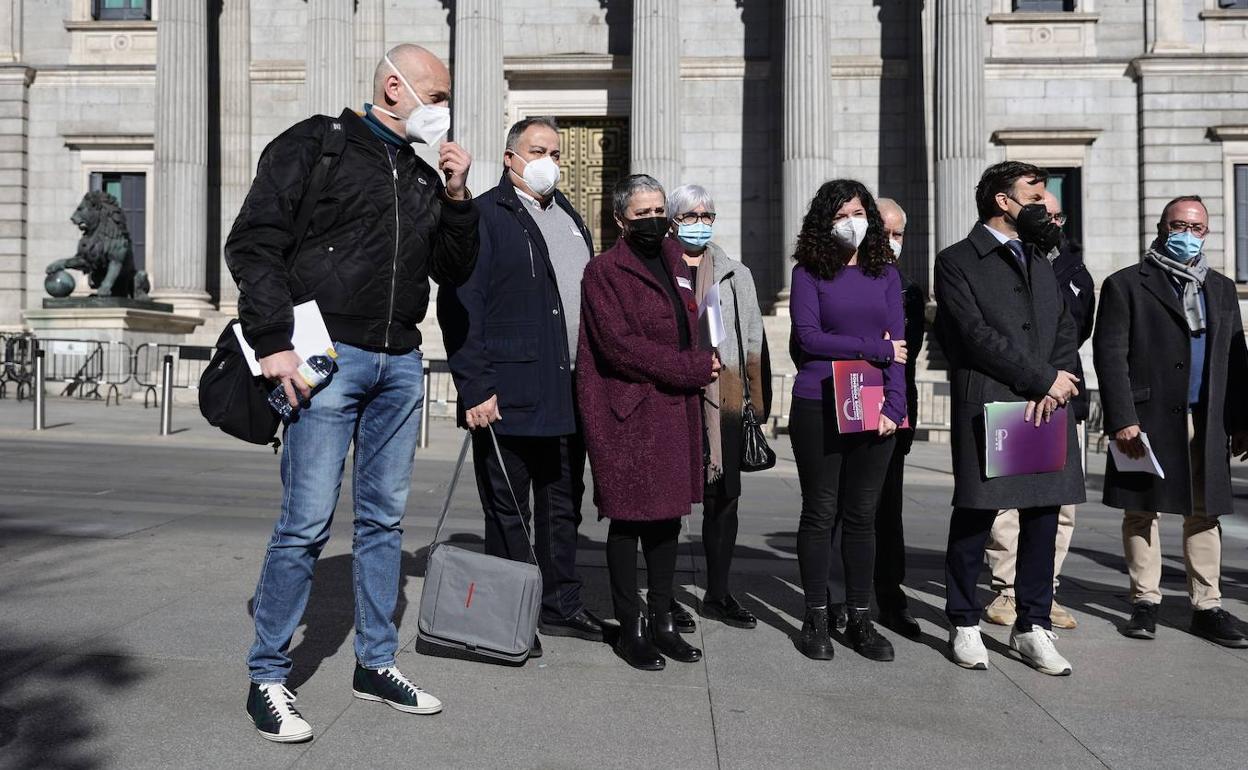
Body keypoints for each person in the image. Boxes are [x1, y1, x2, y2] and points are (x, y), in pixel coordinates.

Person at [227, 44, 478, 742]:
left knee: (384, 523)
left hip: (399, 360)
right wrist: (273, 339)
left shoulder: (425, 178)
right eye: (436, 93)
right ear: (394, 88)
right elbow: (255, 243)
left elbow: (456, 269)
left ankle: (375, 664)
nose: (445, 108)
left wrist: (458, 196)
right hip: (325, 359)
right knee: (306, 522)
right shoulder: (317, 143)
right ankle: (269, 676)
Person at [438, 117, 603, 657]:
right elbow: (461, 305)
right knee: (510, 511)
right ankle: (510, 613)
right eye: (538, 150)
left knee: (563, 507)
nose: (550, 160)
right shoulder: (486, 215)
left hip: (567, 392)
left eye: (555, 151)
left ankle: (560, 603)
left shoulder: (571, 217)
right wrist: (474, 386)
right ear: (510, 158)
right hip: (506, 394)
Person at [934, 161, 1084, 677]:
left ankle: (1032, 625)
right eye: (1033, 194)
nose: (1042, 204)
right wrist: (1041, 378)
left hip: (1047, 403)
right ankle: (964, 622)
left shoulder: (1040, 256)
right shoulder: (957, 260)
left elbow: (1066, 324)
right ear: (1003, 200)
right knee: (977, 515)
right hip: (995, 402)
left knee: (1043, 515)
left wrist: (1060, 379)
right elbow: (975, 335)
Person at [577, 174, 720, 671]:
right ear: (621, 220)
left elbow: (689, 325)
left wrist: (705, 355)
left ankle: (663, 619)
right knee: (629, 518)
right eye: (642, 214)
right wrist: (690, 368)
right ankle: (631, 626)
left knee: (667, 521)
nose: (654, 220)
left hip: (672, 408)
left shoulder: (675, 260)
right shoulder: (603, 272)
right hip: (627, 412)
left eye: (660, 210)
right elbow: (618, 346)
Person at [1092, 195, 1248, 648]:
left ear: (1207, 233)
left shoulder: (1219, 288)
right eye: (1178, 225)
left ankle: (1208, 605)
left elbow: (1235, 359)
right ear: (1161, 228)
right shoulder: (1126, 284)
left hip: (1208, 417)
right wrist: (1122, 417)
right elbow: (1110, 355)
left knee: (1205, 512)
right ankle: (1145, 601)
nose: (1187, 235)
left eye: (1196, 228)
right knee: (1141, 510)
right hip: (1148, 418)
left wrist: (1242, 419)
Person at [789, 179, 906, 663]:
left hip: (874, 404)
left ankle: (860, 616)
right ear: (823, 222)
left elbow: (901, 347)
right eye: (839, 215)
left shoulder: (887, 275)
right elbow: (810, 339)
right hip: (818, 401)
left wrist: (895, 407)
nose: (850, 222)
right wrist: (872, 348)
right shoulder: (808, 273)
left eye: (857, 212)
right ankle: (816, 613)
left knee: (862, 516)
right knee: (821, 511)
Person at [984, 189, 1095, 631]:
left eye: (1055, 215)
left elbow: (1076, 328)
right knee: (1008, 502)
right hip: (1017, 391)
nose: (1048, 222)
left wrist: (1057, 383)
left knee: (1061, 505)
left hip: (1064, 392)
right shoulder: (1005, 258)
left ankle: (1044, 588)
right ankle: (1007, 590)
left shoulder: (1074, 268)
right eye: (1040, 213)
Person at [664, 183, 766, 631]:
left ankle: (719, 593)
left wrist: (754, 406)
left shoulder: (732, 272)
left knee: (724, 500)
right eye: (691, 216)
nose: (701, 224)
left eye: (708, 216)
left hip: (721, 398)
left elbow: (753, 340)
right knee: (667, 501)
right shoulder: (659, 266)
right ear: (672, 221)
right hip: (672, 394)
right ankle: (664, 597)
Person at [872, 197, 927, 639]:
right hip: (844, 404)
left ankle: (891, 595)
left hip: (894, 406)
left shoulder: (911, 288)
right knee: (838, 510)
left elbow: (909, 353)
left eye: (898, 234)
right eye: (884, 232)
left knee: (888, 510)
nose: (891, 242)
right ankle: (836, 596)